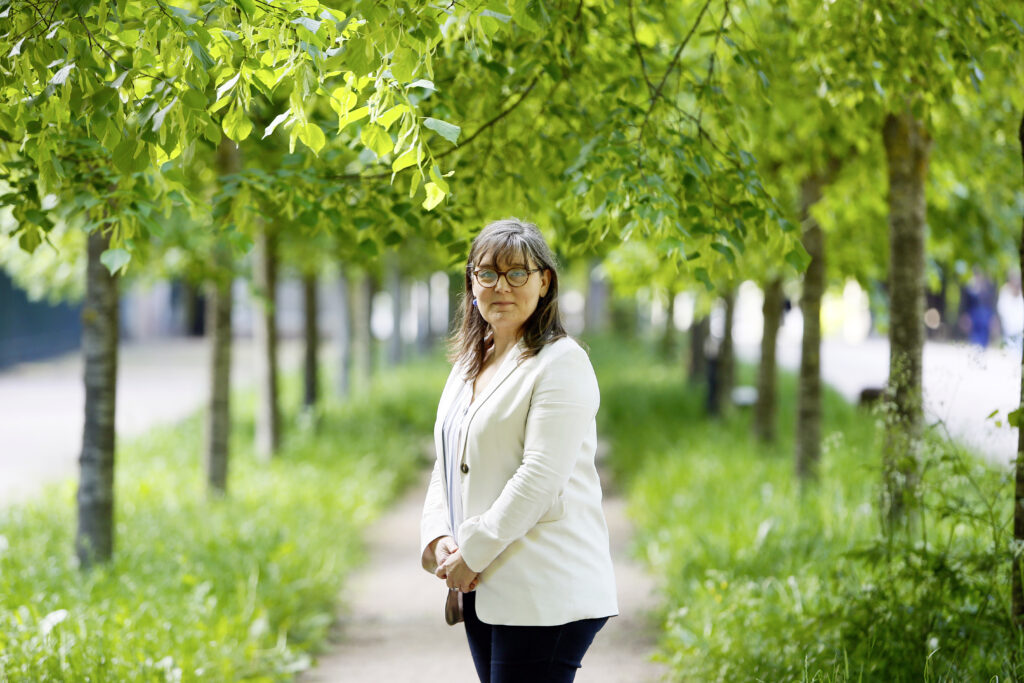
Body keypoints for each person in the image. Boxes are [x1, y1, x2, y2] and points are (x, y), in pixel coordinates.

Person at [419, 219, 618, 683]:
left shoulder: (562, 363)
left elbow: (540, 478)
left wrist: (472, 552)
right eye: (487, 273)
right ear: (471, 282)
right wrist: (439, 537)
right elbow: (446, 459)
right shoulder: (472, 359)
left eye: (516, 274)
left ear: (544, 280)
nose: (500, 286)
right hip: (483, 588)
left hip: (544, 590)